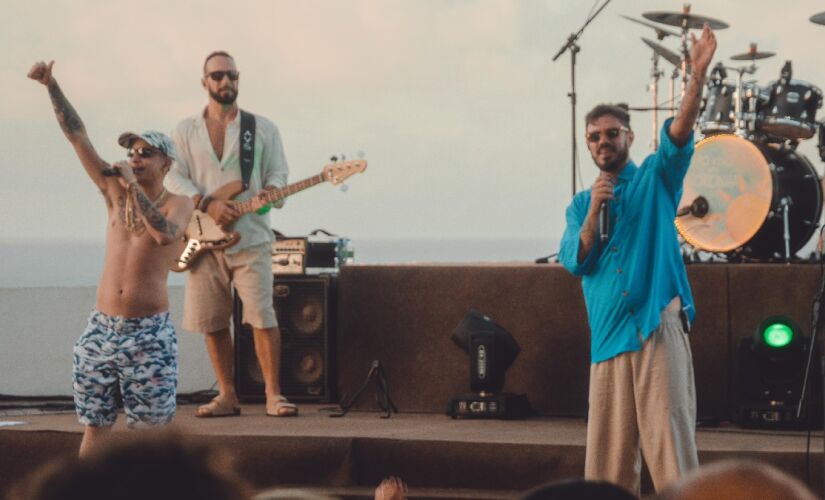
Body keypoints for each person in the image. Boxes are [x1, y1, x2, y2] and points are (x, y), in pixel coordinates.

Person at [558, 25, 717, 494]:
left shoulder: (655, 179)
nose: (602, 141)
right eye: (594, 137)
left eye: (611, 133)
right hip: (607, 342)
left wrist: (697, 78)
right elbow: (575, 261)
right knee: (606, 469)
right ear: (588, 145)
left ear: (628, 135)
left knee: (671, 455)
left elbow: (680, 132)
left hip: (654, 330)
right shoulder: (578, 205)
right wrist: (593, 211)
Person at [27, 61, 194, 456]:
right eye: (132, 152)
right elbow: (77, 135)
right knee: (94, 429)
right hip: (101, 329)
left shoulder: (181, 203)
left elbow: (163, 235)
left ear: (166, 163)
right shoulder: (112, 192)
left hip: (148, 335)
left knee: (150, 439)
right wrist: (51, 85)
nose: (135, 158)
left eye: (146, 153)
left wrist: (133, 186)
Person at [164, 50, 297, 417]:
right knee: (212, 320)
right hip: (202, 236)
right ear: (204, 81)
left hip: (252, 236)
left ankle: (273, 394)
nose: (226, 82)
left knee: (262, 315)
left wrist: (270, 195)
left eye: (232, 75)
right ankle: (227, 395)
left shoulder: (263, 129)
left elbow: (278, 175)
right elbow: (172, 176)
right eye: (218, 75)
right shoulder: (184, 130)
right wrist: (205, 203)